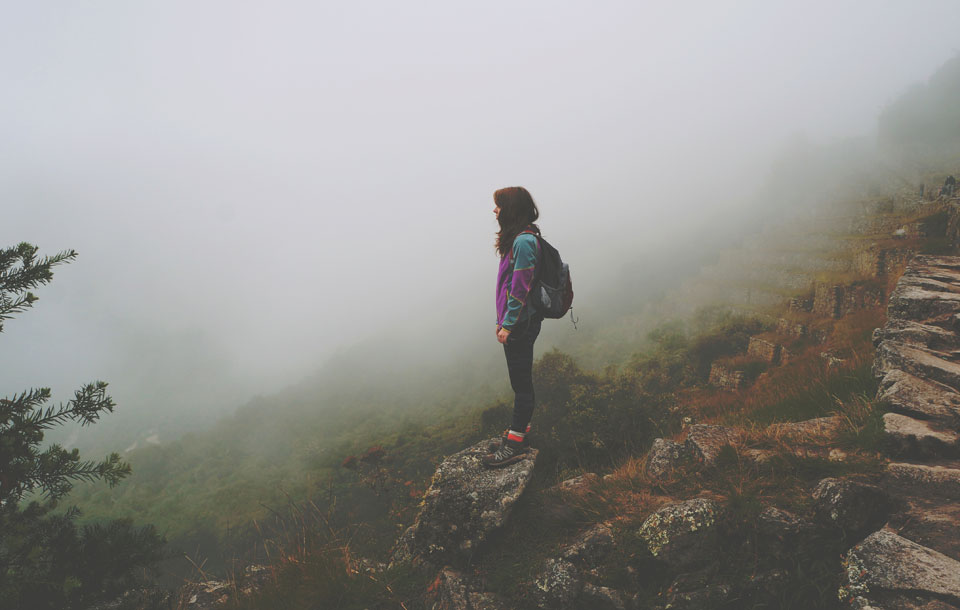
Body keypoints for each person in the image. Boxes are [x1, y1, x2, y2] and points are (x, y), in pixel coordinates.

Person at [483, 186, 544, 468]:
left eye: (499, 205)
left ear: (512, 208)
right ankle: (519, 432)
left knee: (521, 384)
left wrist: (507, 324)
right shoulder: (518, 239)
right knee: (519, 381)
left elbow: (520, 287)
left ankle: (516, 442)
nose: (494, 210)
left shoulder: (523, 242)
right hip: (517, 322)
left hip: (520, 323)